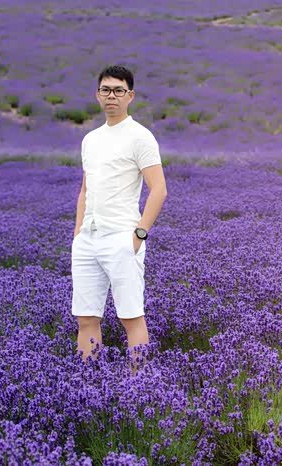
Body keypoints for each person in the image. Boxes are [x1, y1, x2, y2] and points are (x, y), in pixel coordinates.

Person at [71, 64, 167, 374]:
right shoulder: (90, 140)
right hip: (88, 240)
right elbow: (85, 190)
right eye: (106, 90)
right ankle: (88, 385)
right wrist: (77, 234)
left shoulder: (140, 137)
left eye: (118, 91)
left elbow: (159, 189)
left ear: (130, 96)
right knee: (86, 318)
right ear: (97, 95)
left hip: (122, 238)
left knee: (131, 317)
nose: (111, 96)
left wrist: (139, 235)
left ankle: (139, 388)